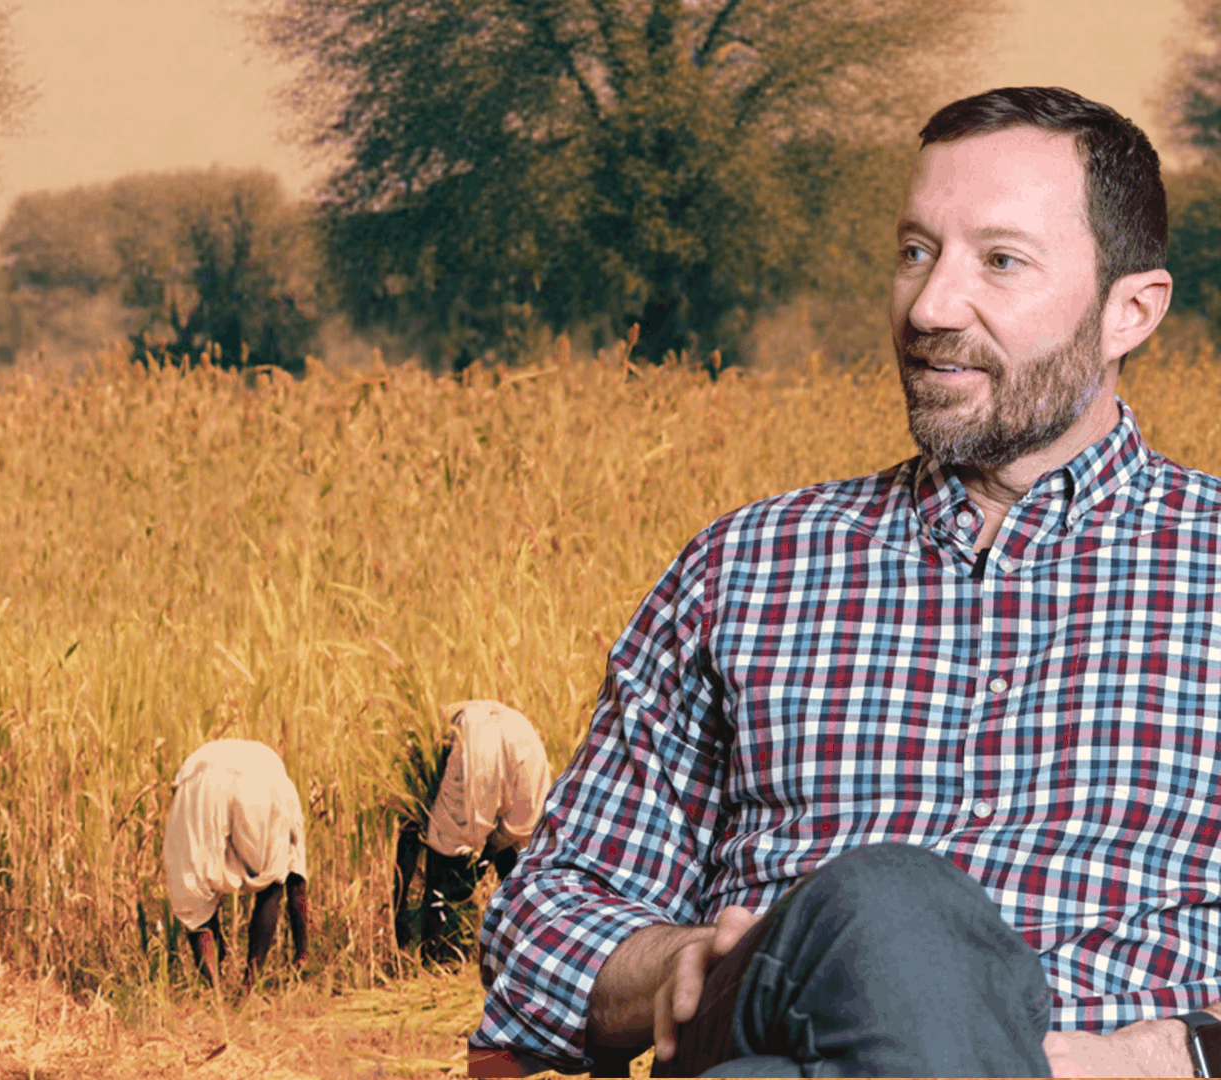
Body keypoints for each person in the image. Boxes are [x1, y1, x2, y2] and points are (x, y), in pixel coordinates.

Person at [471, 86, 1221, 1079]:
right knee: (886, 906)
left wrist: (1178, 1054)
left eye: (1000, 260)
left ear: (1132, 310)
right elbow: (542, 923)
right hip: (770, 1007)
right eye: (917, 251)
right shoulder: (745, 568)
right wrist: (675, 962)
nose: (931, 306)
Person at [393, 700, 552, 960]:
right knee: (517, 862)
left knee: (441, 869)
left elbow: (410, 835)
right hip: (525, 737)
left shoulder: (421, 743)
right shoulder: (441, 725)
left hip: (475, 738)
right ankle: (530, 954)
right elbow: (500, 844)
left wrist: (399, 910)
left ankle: (436, 958)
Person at [163, 738, 310, 987]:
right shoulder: (286, 791)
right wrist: (302, 952)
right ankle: (250, 986)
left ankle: (215, 992)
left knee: (194, 894)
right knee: (273, 883)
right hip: (264, 782)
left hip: (199, 783)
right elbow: (295, 884)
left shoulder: (205, 763)